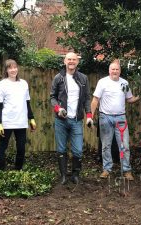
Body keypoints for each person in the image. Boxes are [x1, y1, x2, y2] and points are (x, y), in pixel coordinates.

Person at [91, 59, 139, 181]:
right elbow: (95, 100)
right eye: (113, 69)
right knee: (106, 145)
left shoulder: (124, 83)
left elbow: (129, 99)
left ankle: (126, 170)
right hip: (105, 117)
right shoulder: (102, 82)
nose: (115, 71)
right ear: (109, 70)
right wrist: (90, 116)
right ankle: (107, 169)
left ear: (120, 71)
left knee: (125, 146)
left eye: (117, 69)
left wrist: (140, 97)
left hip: (120, 118)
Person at [50, 52, 92, 185]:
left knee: (78, 150)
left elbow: (86, 98)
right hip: (61, 120)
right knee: (61, 149)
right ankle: (63, 176)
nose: (71, 62)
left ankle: (75, 175)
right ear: (64, 61)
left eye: (74, 59)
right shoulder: (58, 78)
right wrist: (58, 109)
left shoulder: (83, 78)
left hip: (76, 120)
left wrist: (89, 115)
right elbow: (52, 97)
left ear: (77, 62)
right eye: (69, 59)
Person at [0, 59, 36, 170]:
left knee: (21, 149)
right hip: (7, 122)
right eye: (10, 68)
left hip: (21, 122)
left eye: (15, 67)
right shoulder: (1, 85)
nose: (13, 70)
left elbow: (27, 102)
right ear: (6, 70)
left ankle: (18, 171)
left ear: (17, 68)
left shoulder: (24, 83)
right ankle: (0, 172)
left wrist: (31, 119)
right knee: (2, 148)